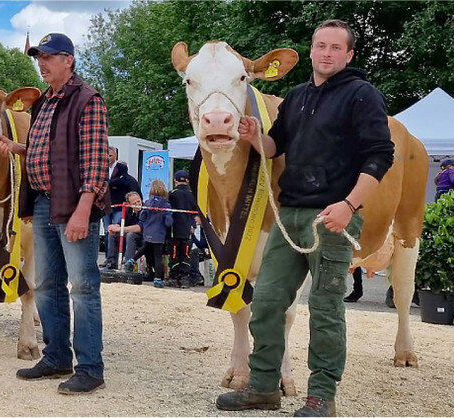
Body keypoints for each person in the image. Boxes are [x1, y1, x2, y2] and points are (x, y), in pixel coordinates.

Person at [216, 20, 394, 416]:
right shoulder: (296, 96)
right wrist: (252, 136)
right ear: (311, 51)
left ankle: (321, 398)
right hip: (290, 213)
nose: (326, 53)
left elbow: (381, 155)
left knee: (326, 307)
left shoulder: (362, 95)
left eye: (335, 47)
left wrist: (349, 206)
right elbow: (274, 145)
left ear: (348, 55)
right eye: (320, 46)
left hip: (334, 216)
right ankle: (263, 386)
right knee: (265, 300)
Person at [0, 32, 110, 395]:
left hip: (74, 203)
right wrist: (16, 147)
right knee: (47, 283)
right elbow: (49, 152)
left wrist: (83, 210)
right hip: (43, 202)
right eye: (38, 57)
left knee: (84, 286)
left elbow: (95, 161)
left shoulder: (87, 100)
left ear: (68, 60)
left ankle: (90, 367)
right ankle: (56, 355)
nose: (40, 63)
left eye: (47, 57)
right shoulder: (44, 102)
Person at [101, 146, 139, 269]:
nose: (108, 158)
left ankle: (119, 257)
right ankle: (109, 257)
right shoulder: (102, 167)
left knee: (117, 229)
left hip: (118, 206)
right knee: (108, 232)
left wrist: (107, 183)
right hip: (106, 204)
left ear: (115, 155)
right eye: (106, 155)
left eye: (110, 156)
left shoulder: (122, 168)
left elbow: (123, 181)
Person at [168, 170, 204, 288]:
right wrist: (193, 225)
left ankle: (174, 277)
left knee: (174, 253)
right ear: (188, 181)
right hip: (188, 229)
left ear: (175, 181)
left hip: (174, 229)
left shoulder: (172, 194)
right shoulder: (193, 194)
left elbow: (169, 212)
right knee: (186, 253)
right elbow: (197, 212)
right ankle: (184, 278)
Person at [135, 179, 172, 288]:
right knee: (158, 256)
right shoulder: (166, 204)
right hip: (159, 233)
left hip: (147, 231)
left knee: (144, 248)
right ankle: (158, 279)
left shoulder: (147, 202)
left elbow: (142, 217)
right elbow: (168, 222)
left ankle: (131, 261)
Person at [109, 191, 144, 272]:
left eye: (138, 201)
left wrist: (120, 229)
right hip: (130, 235)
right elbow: (119, 223)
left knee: (130, 235)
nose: (138, 204)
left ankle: (129, 264)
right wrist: (114, 227)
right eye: (134, 203)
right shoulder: (127, 210)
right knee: (113, 234)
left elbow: (139, 228)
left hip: (143, 237)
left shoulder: (145, 210)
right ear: (129, 204)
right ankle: (111, 261)